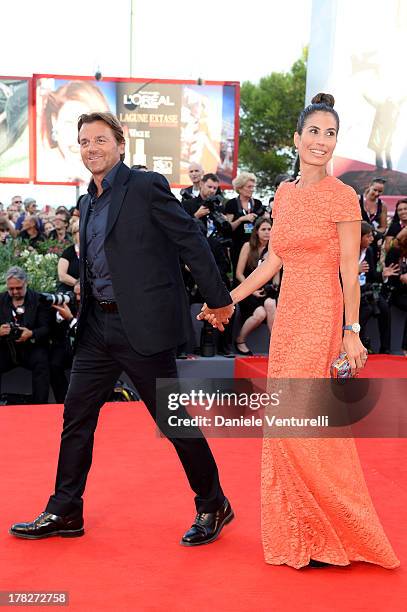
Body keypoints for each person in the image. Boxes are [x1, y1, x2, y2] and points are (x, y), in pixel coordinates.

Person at [9, 111, 235, 545]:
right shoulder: (86, 200)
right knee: (76, 418)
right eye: (84, 141)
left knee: (174, 421)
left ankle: (213, 503)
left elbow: (190, 238)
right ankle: (65, 511)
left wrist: (219, 299)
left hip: (142, 329)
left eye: (99, 139)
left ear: (120, 143)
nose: (91, 148)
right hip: (97, 327)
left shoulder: (145, 186)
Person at [200, 93, 399, 569]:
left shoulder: (343, 197)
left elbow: (351, 272)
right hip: (288, 318)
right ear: (297, 137)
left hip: (323, 314)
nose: (321, 141)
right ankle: (305, 531)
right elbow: (274, 259)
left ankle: (340, 529)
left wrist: (352, 330)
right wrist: (230, 298)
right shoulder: (285, 195)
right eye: (314, 131)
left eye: (330, 134)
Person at [0, 267, 50, 404]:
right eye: (11, 289)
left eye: (18, 288)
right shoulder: (1, 300)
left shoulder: (38, 299)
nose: (15, 292)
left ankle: (40, 406)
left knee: (42, 363)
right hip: (6, 347)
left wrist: (31, 333)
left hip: (31, 347)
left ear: (26, 283)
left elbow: (47, 328)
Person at [234, 218, 278, 355]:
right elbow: (238, 274)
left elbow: (276, 280)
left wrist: (271, 287)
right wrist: (251, 290)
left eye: (269, 229)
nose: (267, 232)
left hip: (264, 291)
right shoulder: (248, 246)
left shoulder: (273, 249)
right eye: (263, 229)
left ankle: (275, 346)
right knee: (260, 314)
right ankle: (240, 340)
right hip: (247, 289)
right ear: (256, 231)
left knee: (271, 304)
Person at [358, 222, 397, 354]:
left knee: (385, 308)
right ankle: (361, 344)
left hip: (366, 290)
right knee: (366, 311)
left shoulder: (369, 250)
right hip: (351, 292)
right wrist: (355, 270)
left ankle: (385, 349)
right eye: (368, 236)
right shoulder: (347, 251)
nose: (372, 239)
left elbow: (373, 275)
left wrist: (383, 275)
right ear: (359, 237)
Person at [224, 172, 265, 278]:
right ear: (240, 188)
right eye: (249, 187)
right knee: (238, 275)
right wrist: (242, 219)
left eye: (253, 187)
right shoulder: (231, 204)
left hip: (255, 246)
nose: (252, 189)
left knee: (255, 274)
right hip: (237, 246)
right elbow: (229, 228)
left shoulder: (257, 203)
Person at [385, 233, 407, 356]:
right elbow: (389, 273)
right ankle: (404, 349)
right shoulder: (395, 252)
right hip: (395, 292)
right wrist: (401, 277)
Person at [57, 221, 80, 292]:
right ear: (74, 235)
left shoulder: (94, 251)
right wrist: (78, 284)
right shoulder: (69, 252)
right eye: (79, 231)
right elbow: (62, 276)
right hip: (69, 290)